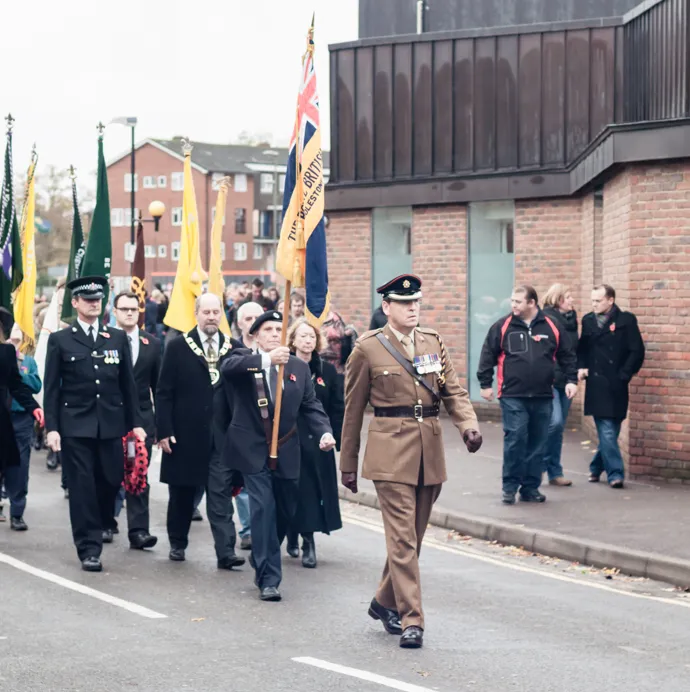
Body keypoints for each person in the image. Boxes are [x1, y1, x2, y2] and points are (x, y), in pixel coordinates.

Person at [340, 274, 482, 649]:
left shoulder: (432, 341)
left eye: (416, 302)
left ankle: (382, 600)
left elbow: (453, 389)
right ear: (387, 307)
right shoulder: (367, 349)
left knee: (412, 540)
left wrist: (468, 425)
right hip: (389, 452)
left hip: (428, 451)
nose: (413, 308)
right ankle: (411, 620)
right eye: (405, 303)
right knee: (402, 540)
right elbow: (352, 411)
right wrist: (348, 463)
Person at [220, 310, 335, 602]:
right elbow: (228, 369)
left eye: (277, 329)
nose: (273, 334)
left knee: (285, 511)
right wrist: (266, 360)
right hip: (252, 450)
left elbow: (310, 405)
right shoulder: (243, 359)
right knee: (263, 511)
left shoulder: (298, 367)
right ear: (256, 335)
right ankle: (269, 579)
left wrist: (324, 432)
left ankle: (264, 553)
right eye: (267, 329)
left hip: (286, 449)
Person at [44, 276, 145, 572]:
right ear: (75, 303)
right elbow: (52, 388)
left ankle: (102, 521)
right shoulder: (61, 340)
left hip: (110, 425)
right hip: (75, 425)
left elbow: (129, 385)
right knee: (82, 486)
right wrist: (52, 428)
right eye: (87, 300)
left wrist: (136, 422)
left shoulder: (116, 338)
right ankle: (89, 547)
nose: (93, 304)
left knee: (111, 480)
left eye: (97, 300)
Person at [156, 293, 245, 568]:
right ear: (196, 313)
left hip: (221, 437)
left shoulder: (234, 348)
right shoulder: (178, 347)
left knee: (220, 495)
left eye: (216, 312)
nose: (211, 317)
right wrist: (163, 430)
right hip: (185, 434)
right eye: (206, 312)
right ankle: (177, 543)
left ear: (222, 314)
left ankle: (226, 552)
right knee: (182, 494)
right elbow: (164, 393)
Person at [478, 285, 578, 505]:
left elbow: (567, 355)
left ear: (531, 303)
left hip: (543, 395)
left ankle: (530, 488)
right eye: (512, 301)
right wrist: (485, 383)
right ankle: (509, 487)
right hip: (512, 395)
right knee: (516, 438)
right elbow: (488, 354)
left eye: (518, 301)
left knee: (538, 443)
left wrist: (571, 380)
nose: (513, 305)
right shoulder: (503, 326)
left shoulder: (551, 325)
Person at [285, 319, 343, 568]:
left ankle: (308, 541)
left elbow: (337, 407)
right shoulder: (284, 366)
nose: (308, 341)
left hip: (319, 442)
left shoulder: (327, 371)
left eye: (311, 337)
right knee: (291, 491)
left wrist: (334, 436)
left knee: (311, 492)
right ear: (293, 340)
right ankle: (291, 532)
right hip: (290, 439)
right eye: (303, 336)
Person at [577, 284, 645, 489]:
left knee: (612, 431)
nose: (594, 304)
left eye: (598, 300)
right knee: (606, 430)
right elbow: (583, 349)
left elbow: (637, 351)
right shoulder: (588, 320)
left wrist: (624, 374)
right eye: (592, 300)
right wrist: (582, 367)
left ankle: (596, 467)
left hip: (617, 383)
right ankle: (616, 473)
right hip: (597, 383)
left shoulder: (626, 321)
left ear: (610, 300)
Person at [112, 291, 161, 549]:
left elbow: (159, 387)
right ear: (115, 311)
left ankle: (139, 531)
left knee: (137, 471)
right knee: (108, 473)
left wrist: (162, 427)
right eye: (124, 309)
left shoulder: (151, 344)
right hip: (110, 418)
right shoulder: (104, 340)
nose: (130, 313)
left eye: (134, 309)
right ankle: (106, 520)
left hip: (141, 420)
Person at [0, 310, 44, 525]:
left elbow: (17, 385)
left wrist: (33, 406)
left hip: (12, 418)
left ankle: (17, 512)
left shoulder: (7, 352)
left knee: (17, 464)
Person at [541, 284, 579, 487]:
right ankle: (537, 465)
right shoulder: (546, 319)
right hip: (549, 381)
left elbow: (573, 352)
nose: (572, 300)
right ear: (557, 299)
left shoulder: (572, 320)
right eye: (568, 296)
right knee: (553, 423)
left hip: (566, 382)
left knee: (558, 428)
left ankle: (554, 472)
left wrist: (574, 376)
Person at [320, 308, 358, 376]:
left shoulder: (336, 317)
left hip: (339, 364)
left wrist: (349, 332)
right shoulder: (313, 319)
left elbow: (344, 333)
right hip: (323, 362)